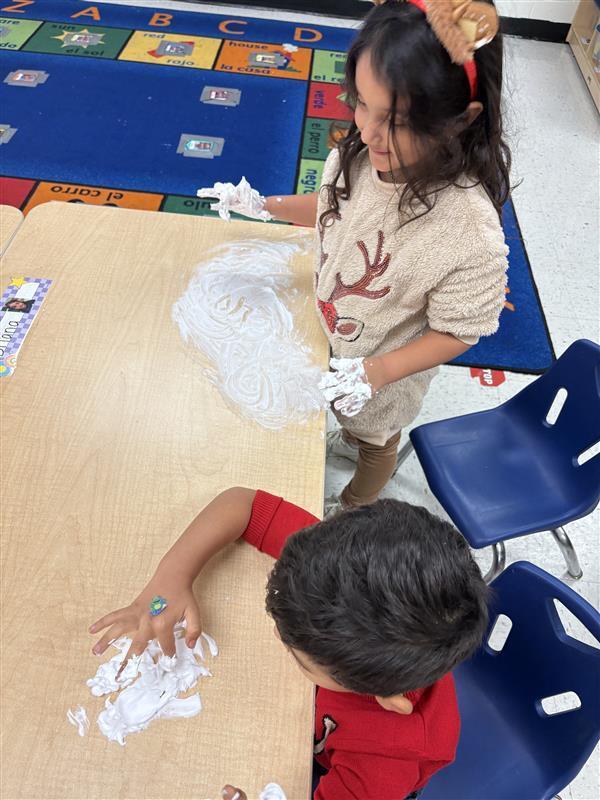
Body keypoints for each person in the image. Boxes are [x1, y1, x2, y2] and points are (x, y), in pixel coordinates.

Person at [197, 0, 511, 511]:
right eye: (360, 103)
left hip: (383, 380)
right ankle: (347, 436)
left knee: (374, 442)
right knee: (341, 420)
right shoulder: (362, 154)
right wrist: (263, 205)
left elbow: (459, 330)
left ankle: (357, 503)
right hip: (335, 342)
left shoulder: (469, 232)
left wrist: (378, 373)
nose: (366, 131)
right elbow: (330, 207)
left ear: (460, 120)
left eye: (396, 120)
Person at [90, 487, 489, 799]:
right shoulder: (336, 567)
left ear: (387, 699)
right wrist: (168, 583)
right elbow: (242, 503)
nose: (278, 634)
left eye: (301, 660)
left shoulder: (381, 766)